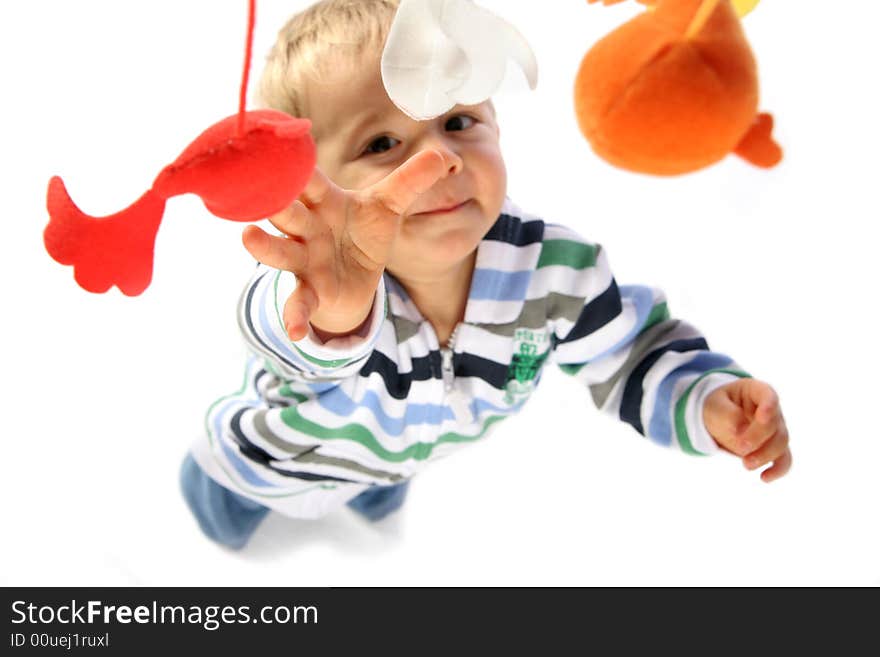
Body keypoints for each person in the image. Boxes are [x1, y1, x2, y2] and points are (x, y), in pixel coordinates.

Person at [180, 0, 791, 550]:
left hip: (398, 461)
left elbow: (630, 354)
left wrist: (705, 400)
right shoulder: (321, 275)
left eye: (458, 122)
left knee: (378, 520)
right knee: (224, 539)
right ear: (310, 184)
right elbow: (281, 328)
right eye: (383, 142)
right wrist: (335, 307)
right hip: (268, 460)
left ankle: (373, 500)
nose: (440, 160)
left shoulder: (556, 272)